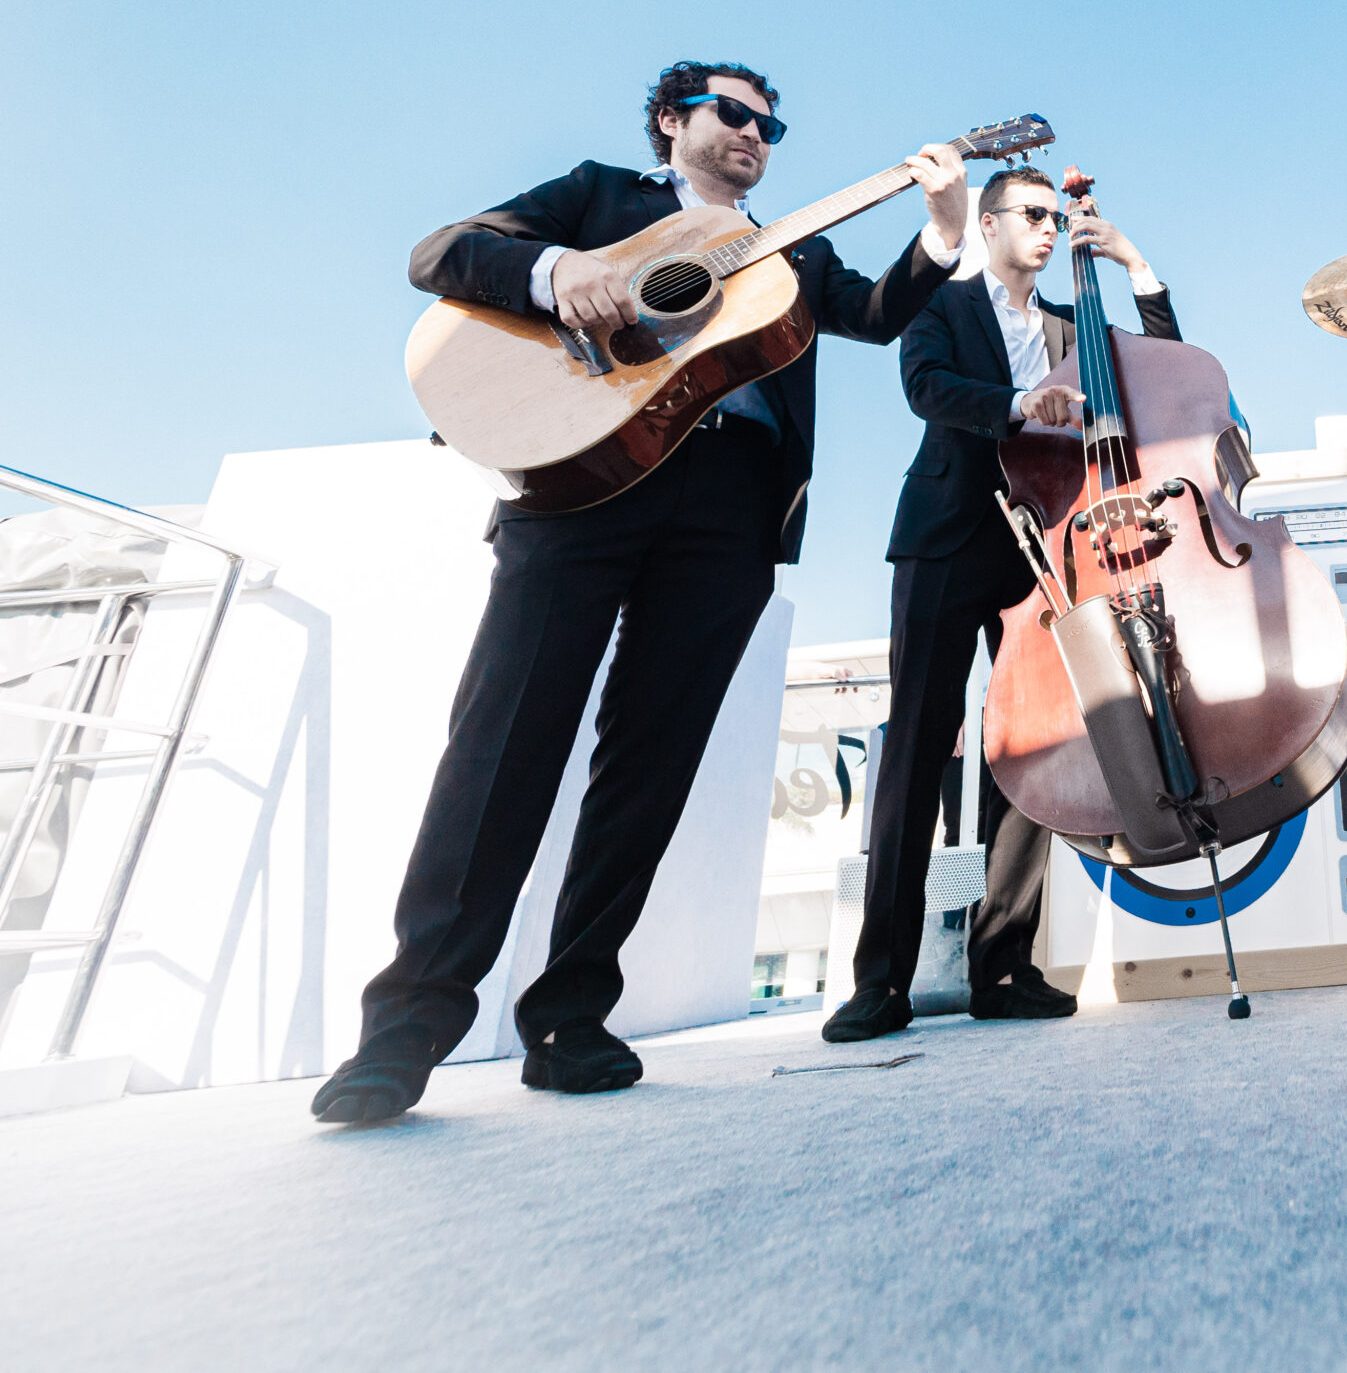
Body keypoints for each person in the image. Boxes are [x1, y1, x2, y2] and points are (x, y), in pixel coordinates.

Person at [313, 62, 967, 1122]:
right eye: (734, 113)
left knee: (650, 766)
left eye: (771, 126)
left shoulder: (795, 244)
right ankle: (404, 1029)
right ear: (671, 120)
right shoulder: (600, 197)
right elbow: (439, 253)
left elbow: (877, 314)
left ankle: (570, 1017)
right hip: (576, 486)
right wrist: (558, 270)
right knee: (502, 745)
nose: (755, 133)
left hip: (730, 510)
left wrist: (942, 229)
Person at [822, 166, 1179, 1043]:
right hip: (946, 536)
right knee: (916, 747)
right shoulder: (942, 303)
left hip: (1043, 549)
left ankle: (1005, 966)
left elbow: (1166, 369)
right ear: (987, 224)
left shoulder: (1071, 326)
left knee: (1036, 747)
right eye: (1033, 213)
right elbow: (926, 386)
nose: (1050, 227)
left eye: (1058, 216)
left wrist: (1136, 266)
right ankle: (881, 979)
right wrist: (1018, 404)